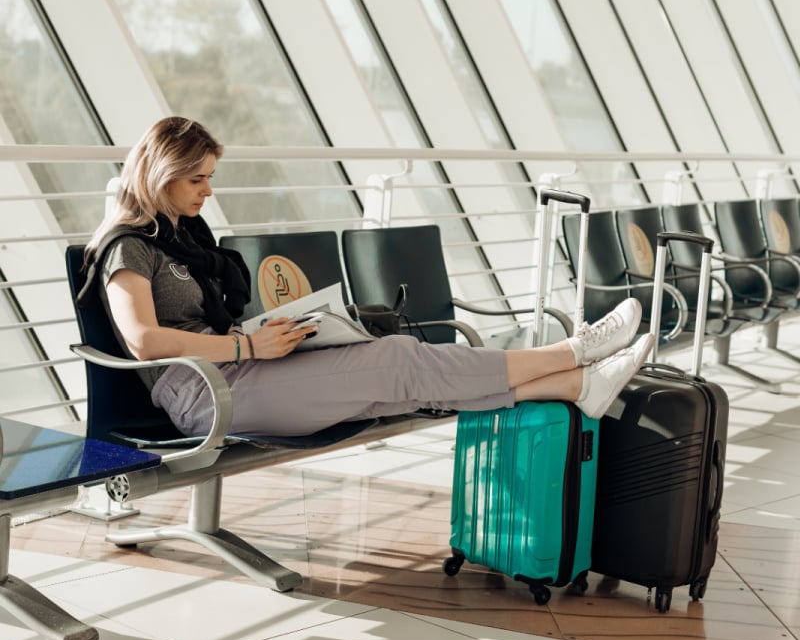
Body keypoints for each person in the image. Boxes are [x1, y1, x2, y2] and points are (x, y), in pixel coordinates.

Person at [79, 116, 654, 439]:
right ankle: (573, 354)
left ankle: (577, 385)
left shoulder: (185, 236)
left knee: (398, 380)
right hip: (204, 394)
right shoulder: (127, 247)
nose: (209, 191)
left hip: (238, 369)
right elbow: (144, 340)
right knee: (400, 362)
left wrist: (269, 338)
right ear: (162, 175)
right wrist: (247, 343)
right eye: (198, 180)